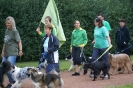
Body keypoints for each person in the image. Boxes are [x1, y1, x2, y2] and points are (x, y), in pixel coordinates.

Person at [1, 16, 23, 87]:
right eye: (6, 23)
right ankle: (13, 81)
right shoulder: (6, 31)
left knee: (8, 67)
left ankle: (12, 82)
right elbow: (5, 42)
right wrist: (3, 51)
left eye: (9, 23)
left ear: (12, 23)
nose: (7, 24)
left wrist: (20, 50)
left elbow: (19, 41)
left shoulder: (15, 31)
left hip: (13, 52)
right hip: (6, 52)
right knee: (3, 67)